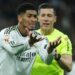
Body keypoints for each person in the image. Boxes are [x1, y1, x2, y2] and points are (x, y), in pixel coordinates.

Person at [0, 3, 61, 75]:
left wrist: (50, 51)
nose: (33, 19)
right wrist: (29, 43)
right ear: (20, 18)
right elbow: (13, 49)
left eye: (35, 16)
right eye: (29, 16)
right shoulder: (6, 33)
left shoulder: (38, 38)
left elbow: (47, 61)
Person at [31, 3, 72, 75]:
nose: (46, 19)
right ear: (38, 18)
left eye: (49, 16)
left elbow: (69, 67)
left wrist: (56, 56)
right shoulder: (31, 37)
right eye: (43, 15)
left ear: (55, 19)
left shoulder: (63, 38)